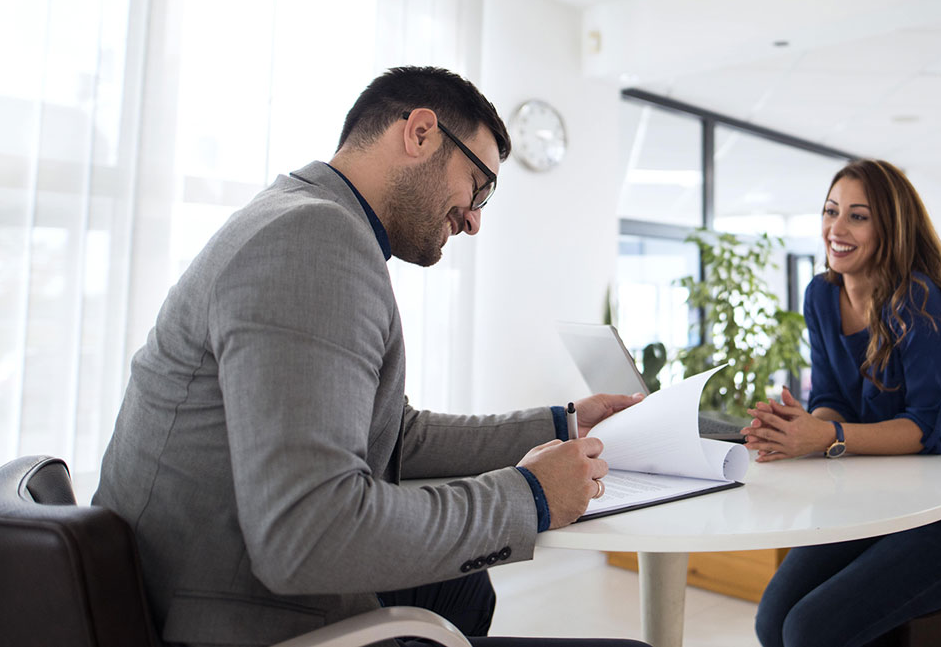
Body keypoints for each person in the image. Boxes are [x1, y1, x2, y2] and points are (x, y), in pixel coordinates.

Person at [93, 66, 648, 647]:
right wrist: (529, 496)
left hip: (192, 576)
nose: (475, 220)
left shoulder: (300, 214)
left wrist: (563, 424)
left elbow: (394, 433)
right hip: (231, 614)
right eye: (478, 186)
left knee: (465, 590)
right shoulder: (312, 241)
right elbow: (308, 534)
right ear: (421, 133)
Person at [744, 158, 941, 647]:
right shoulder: (821, 295)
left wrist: (826, 435)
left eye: (857, 216)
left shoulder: (919, 300)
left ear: (890, 227)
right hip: (875, 503)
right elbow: (830, 398)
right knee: (771, 620)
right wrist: (801, 428)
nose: (836, 229)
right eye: (830, 210)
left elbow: (930, 429)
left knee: (809, 630)